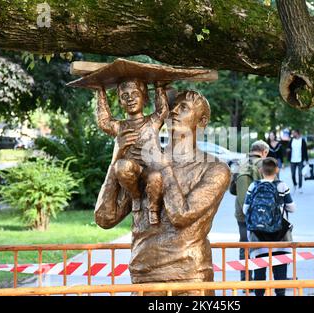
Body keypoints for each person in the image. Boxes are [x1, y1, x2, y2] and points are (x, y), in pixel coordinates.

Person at [94, 90, 231, 295]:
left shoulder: (215, 169)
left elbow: (181, 216)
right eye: (172, 106)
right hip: (145, 277)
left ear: (201, 121)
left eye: (183, 107)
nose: (174, 111)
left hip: (190, 279)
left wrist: (161, 165)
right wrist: (116, 158)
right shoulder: (141, 163)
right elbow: (104, 218)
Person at [96, 80, 168, 225]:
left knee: (155, 177)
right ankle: (136, 197)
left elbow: (163, 111)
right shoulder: (119, 126)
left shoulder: (152, 122)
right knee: (121, 166)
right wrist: (100, 92)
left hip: (149, 170)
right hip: (131, 174)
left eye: (135, 94)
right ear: (120, 102)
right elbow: (104, 121)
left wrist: (159, 87)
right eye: (124, 96)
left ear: (144, 98)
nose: (130, 99)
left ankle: (153, 210)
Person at [243, 158, 296, 296]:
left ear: (261, 170)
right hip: (279, 237)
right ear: (276, 169)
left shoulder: (253, 186)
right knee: (280, 277)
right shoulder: (282, 186)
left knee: (259, 276)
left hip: (258, 237)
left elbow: (245, 209)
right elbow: (292, 208)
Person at [234, 140, 269, 282]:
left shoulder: (240, 164)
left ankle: (245, 281)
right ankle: (260, 281)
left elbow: (232, 189)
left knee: (244, 246)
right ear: (264, 152)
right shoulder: (264, 165)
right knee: (261, 247)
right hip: (260, 215)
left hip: (241, 213)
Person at [288, 129, 308, 193]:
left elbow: (305, 151)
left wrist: (306, 160)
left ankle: (300, 187)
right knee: (293, 174)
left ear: (297, 133)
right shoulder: (291, 140)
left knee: (300, 174)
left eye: (294, 133)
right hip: (292, 160)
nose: (292, 134)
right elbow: (288, 149)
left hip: (300, 160)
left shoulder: (302, 141)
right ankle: (295, 184)